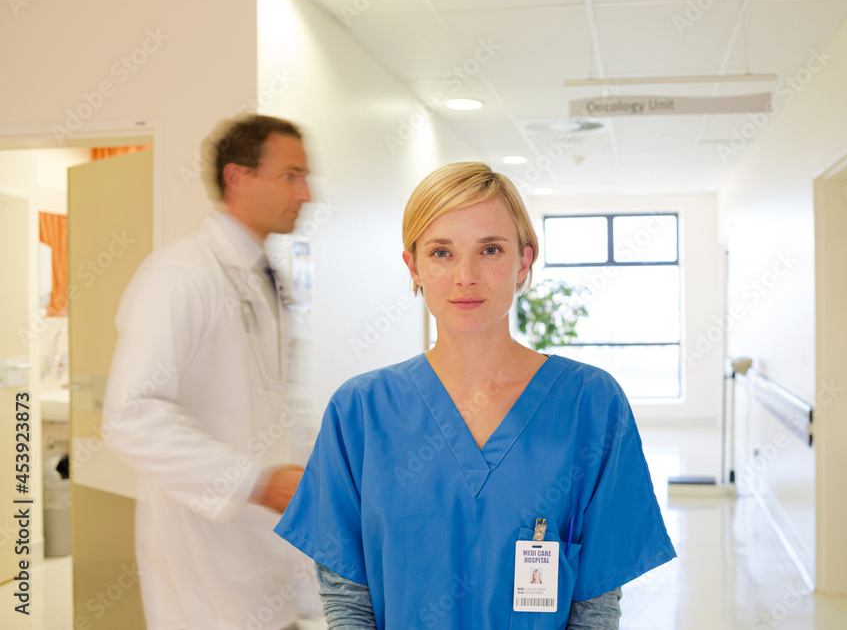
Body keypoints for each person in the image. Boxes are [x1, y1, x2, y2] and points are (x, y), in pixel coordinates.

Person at [274, 162, 676, 629]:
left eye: (489, 249)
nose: (466, 276)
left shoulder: (591, 404)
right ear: (415, 266)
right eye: (442, 252)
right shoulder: (361, 412)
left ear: (524, 260)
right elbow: (347, 600)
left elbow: (595, 607)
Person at [103, 114, 320, 630]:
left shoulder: (262, 275)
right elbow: (130, 417)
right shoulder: (180, 276)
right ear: (237, 177)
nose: (307, 193)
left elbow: (271, 401)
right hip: (207, 561)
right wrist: (256, 484)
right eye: (291, 175)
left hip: (263, 554)